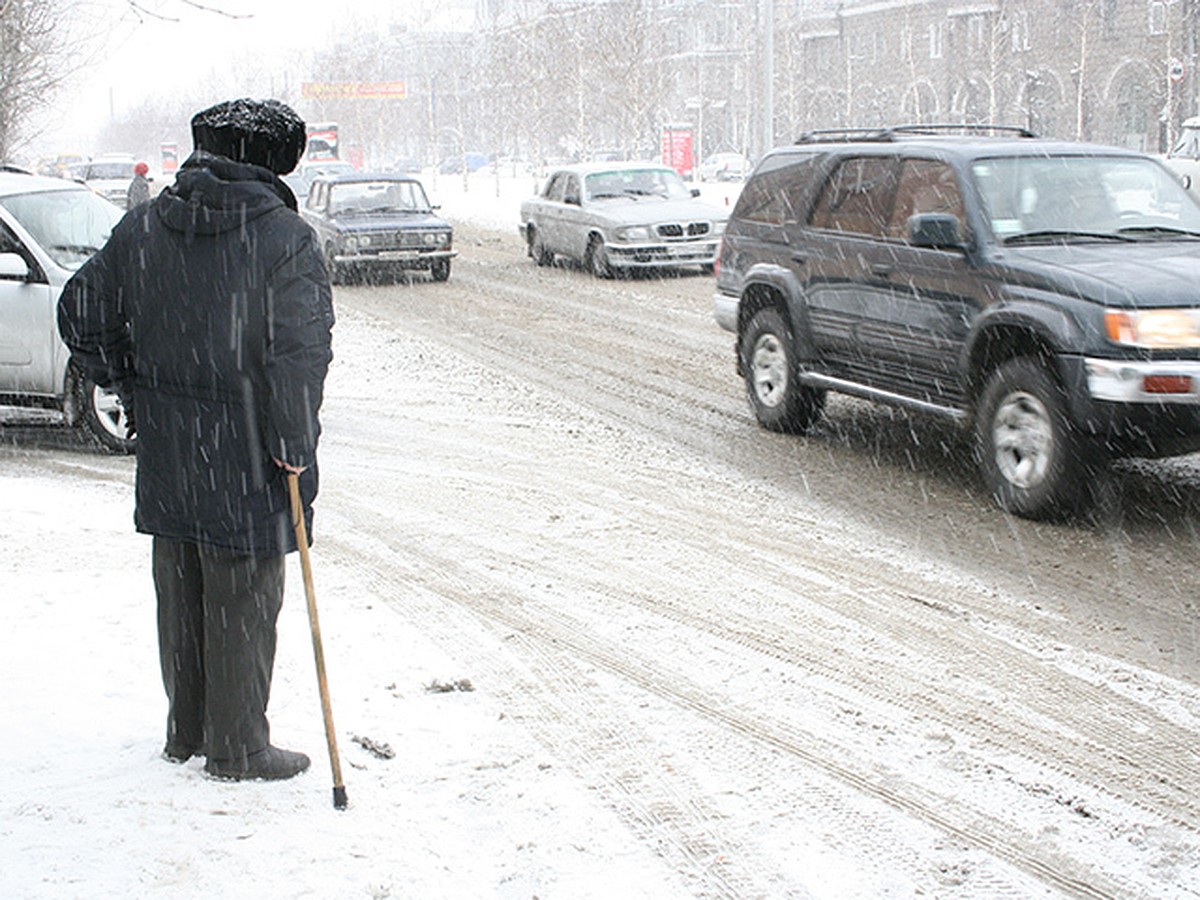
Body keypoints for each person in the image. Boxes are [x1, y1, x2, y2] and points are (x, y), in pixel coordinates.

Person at [57, 98, 335, 782]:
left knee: (180, 587)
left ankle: (187, 731)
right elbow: (297, 358)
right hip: (245, 451)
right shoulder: (283, 240)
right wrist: (293, 448)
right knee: (241, 596)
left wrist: (129, 377)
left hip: (171, 447)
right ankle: (237, 747)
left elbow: (81, 312)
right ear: (269, 162)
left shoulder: (145, 226)